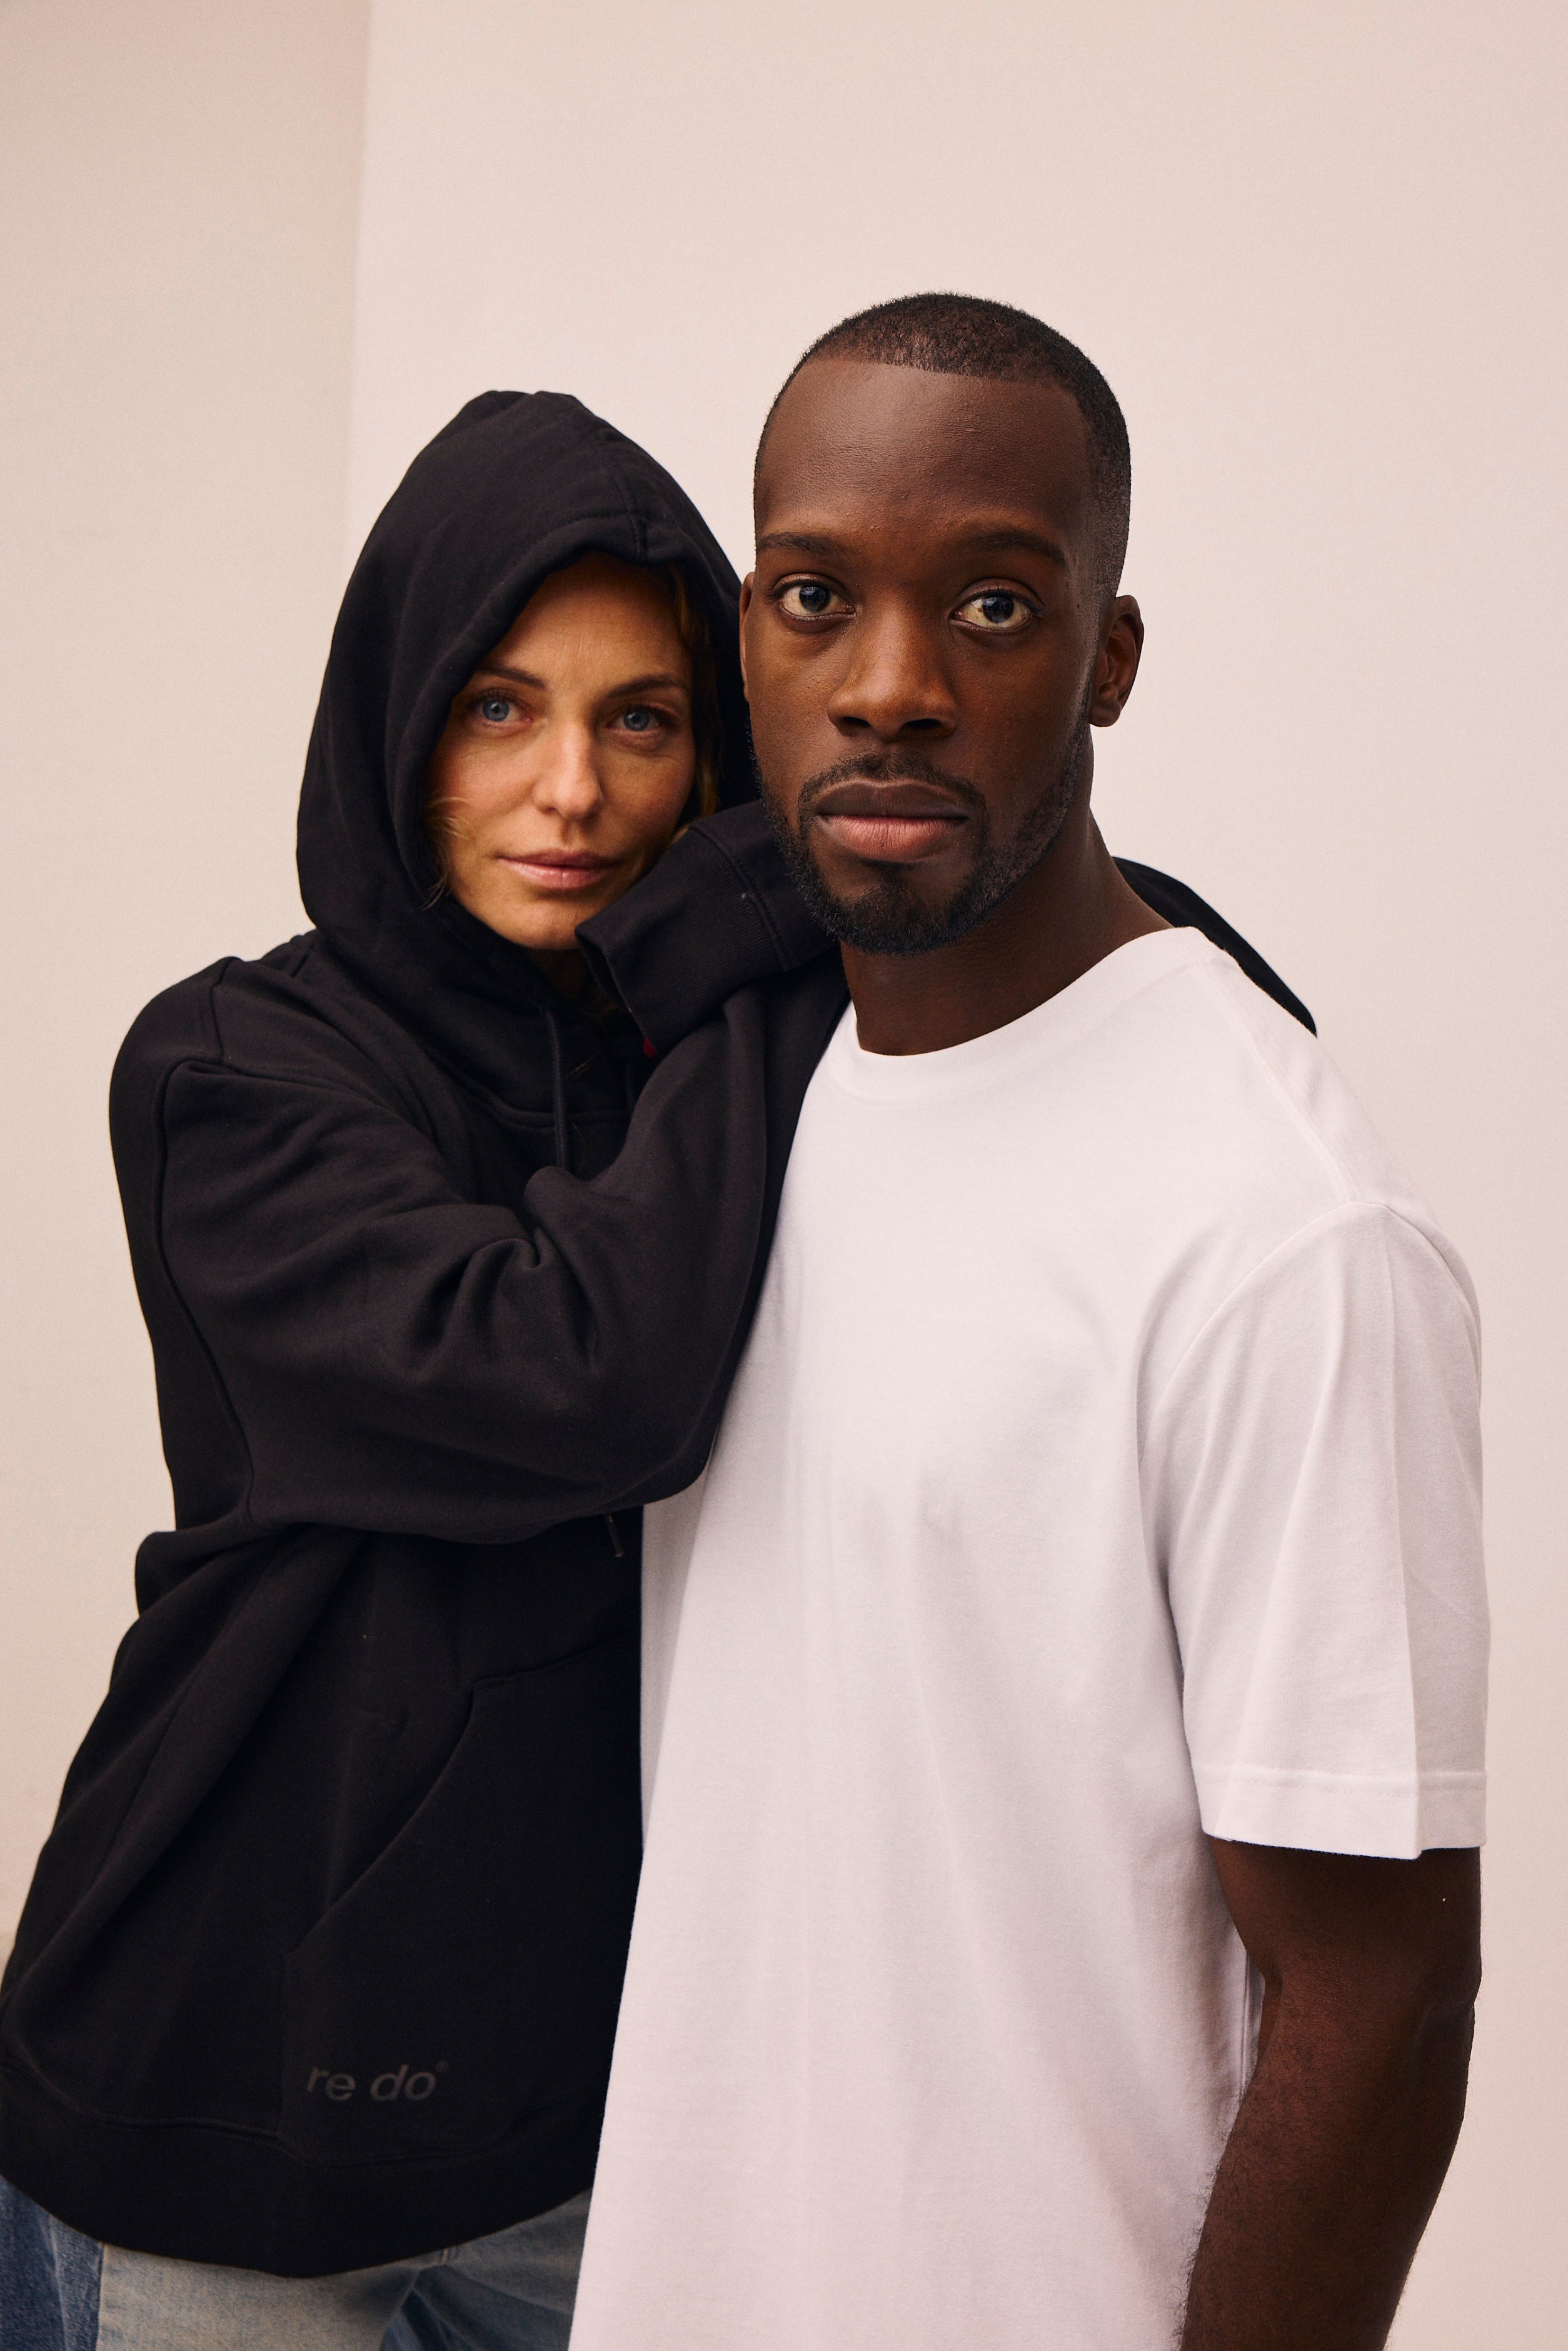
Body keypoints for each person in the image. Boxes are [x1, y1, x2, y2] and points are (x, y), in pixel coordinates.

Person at [0, 379, 1304, 2349]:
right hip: (218, 2100)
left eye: (641, 721)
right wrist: (781, 907)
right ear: (397, 718)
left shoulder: (729, 1037)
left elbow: (1113, 986)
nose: (574, 794)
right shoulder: (233, 1072)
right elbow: (576, 1378)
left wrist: (883, 918)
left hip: (595, 2122)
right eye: (498, 709)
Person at [568, 296, 1489, 2351]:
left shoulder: (1279, 1228)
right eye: (816, 597)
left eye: (991, 606)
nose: (889, 687)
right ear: (747, 640)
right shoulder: (755, 1109)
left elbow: (1384, 1993)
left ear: (1108, 659)